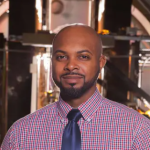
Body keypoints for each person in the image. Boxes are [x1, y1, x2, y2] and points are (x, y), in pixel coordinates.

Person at [1, 24, 150, 150]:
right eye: (61, 57)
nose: (71, 65)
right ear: (52, 62)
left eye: (83, 56)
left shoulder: (138, 132)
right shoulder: (20, 135)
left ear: (101, 63)